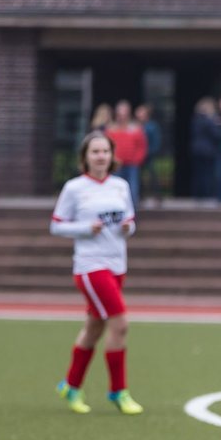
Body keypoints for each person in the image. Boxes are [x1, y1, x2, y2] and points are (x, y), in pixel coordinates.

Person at [50, 132, 143, 416]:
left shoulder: (120, 186)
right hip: (91, 266)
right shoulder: (75, 188)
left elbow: (129, 220)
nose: (101, 156)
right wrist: (84, 228)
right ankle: (119, 391)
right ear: (85, 157)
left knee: (94, 328)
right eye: (95, 152)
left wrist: (129, 227)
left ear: (112, 156)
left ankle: (70, 385)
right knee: (120, 324)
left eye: (105, 151)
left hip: (117, 264)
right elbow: (56, 225)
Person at [105, 100, 146, 208]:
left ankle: (131, 215)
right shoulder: (111, 129)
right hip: (116, 165)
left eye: (124, 114)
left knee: (132, 190)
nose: (122, 117)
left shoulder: (135, 129)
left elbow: (142, 146)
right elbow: (107, 146)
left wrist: (137, 160)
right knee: (115, 191)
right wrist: (112, 160)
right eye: (120, 114)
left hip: (132, 165)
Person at [189, 97, 221, 201]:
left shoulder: (195, 120)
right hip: (208, 151)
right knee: (208, 174)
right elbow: (216, 134)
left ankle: (197, 195)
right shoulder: (209, 121)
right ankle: (207, 195)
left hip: (196, 150)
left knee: (198, 173)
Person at [135, 103, 162, 206]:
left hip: (148, 156)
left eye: (141, 112)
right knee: (138, 177)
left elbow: (156, 142)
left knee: (152, 176)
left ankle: (157, 197)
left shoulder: (152, 126)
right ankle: (140, 196)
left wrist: (148, 152)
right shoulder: (135, 126)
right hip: (138, 157)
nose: (139, 114)